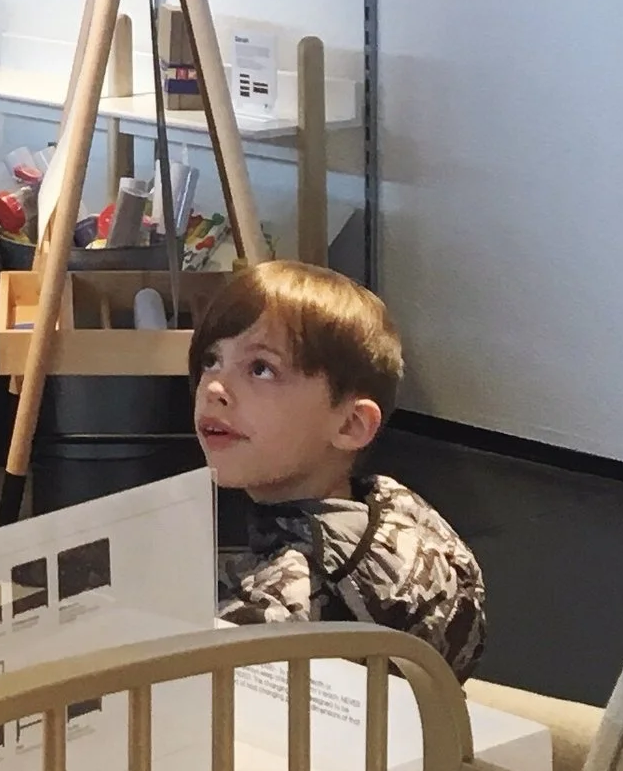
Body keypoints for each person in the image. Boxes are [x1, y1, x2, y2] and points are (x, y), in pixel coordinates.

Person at [189, 259, 486, 678]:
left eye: (261, 368)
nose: (215, 387)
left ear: (350, 425)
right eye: (211, 360)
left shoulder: (282, 605)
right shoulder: (393, 505)